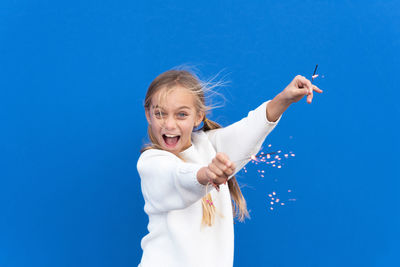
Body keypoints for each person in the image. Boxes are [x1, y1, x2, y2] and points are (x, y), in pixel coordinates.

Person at [137, 69, 322, 267]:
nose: (170, 124)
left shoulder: (208, 146)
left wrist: (284, 99)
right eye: (160, 114)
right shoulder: (151, 162)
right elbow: (177, 177)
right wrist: (206, 173)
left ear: (198, 116)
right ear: (148, 114)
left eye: (181, 114)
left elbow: (247, 132)